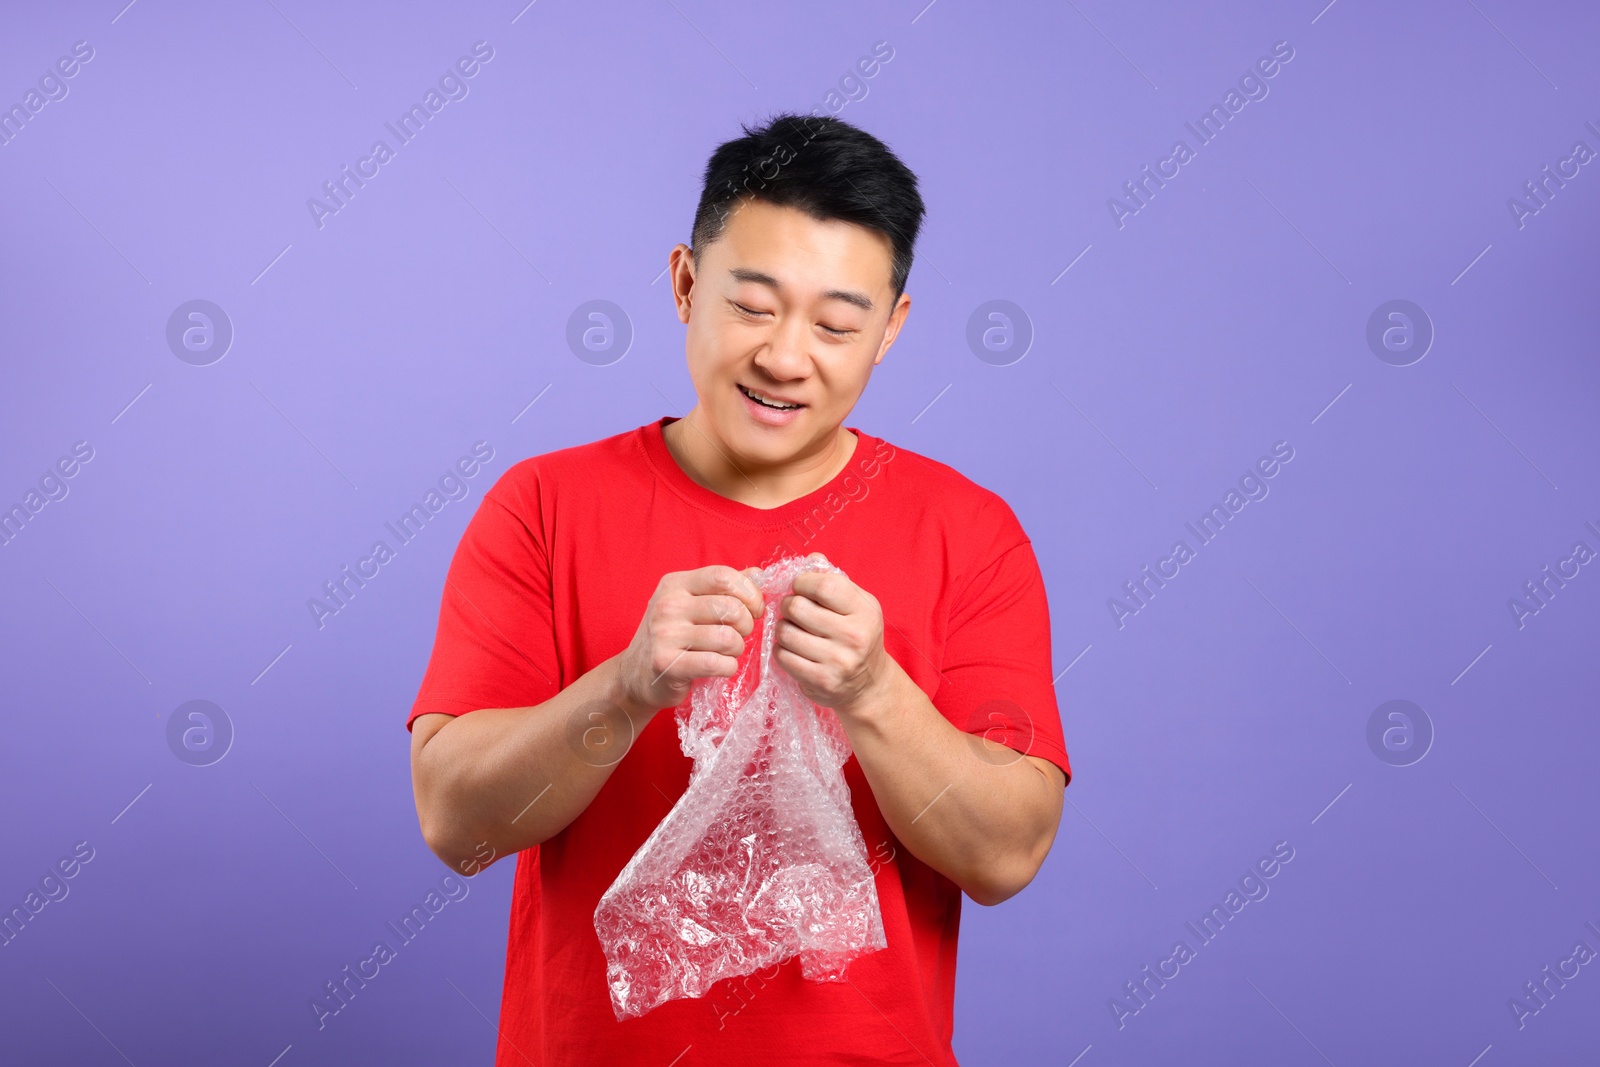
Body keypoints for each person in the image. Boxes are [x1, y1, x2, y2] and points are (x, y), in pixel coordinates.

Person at [407, 111, 1072, 1066]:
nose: (785, 356)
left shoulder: (969, 532)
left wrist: (876, 692)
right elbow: (456, 823)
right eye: (753, 306)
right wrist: (628, 685)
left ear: (890, 330)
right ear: (685, 283)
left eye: (838, 324)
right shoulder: (543, 506)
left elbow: (1006, 856)